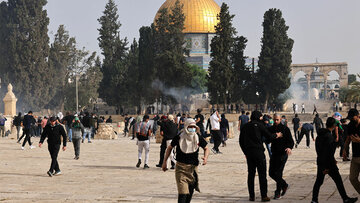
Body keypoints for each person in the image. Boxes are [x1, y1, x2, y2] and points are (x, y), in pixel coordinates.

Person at [162, 118, 209, 203]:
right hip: (181, 169)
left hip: (192, 170)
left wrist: (205, 158)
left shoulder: (197, 137)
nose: (192, 128)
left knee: (189, 194)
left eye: (194, 127)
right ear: (186, 126)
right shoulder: (179, 137)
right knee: (183, 194)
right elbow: (169, 148)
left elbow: (206, 148)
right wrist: (164, 162)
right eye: (190, 127)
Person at [311, 117, 358, 203]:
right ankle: (345, 199)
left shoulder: (319, 136)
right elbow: (328, 153)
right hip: (328, 164)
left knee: (319, 181)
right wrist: (327, 167)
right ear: (333, 125)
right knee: (338, 181)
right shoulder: (329, 136)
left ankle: (314, 200)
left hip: (321, 162)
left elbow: (321, 151)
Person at [239, 111, 283, 202]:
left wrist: (245, 152)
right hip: (259, 152)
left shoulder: (245, 126)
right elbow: (269, 136)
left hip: (249, 153)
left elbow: (241, 141)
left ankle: (252, 196)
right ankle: (264, 196)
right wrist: (277, 135)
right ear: (259, 117)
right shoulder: (260, 125)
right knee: (262, 174)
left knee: (251, 174)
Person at [268, 114, 294, 199]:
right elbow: (267, 138)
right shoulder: (271, 129)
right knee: (271, 173)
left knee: (278, 173)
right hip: (274, 153)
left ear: (280, 120)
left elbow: (291, 141)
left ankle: (277, 192)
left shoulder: (285, 129)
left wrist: (289, 148)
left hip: (282, 154)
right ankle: (284, 185)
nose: (276, 122)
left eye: (277, 120)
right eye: (274, 120)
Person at [343, 109, 360, 194]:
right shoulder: (350, 125)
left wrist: (359, 140)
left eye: (352, 118)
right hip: (355, 156)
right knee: (352, 178)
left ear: (358, 115)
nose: (351, 120)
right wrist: (344, 150)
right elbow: (348, 139)